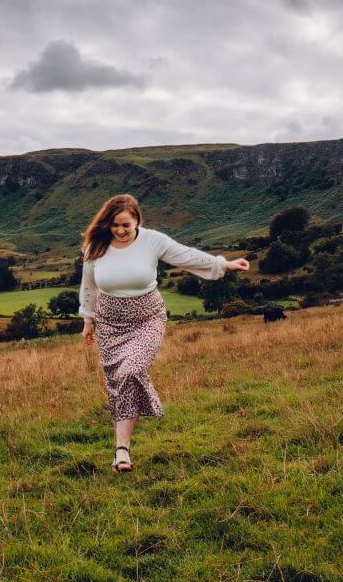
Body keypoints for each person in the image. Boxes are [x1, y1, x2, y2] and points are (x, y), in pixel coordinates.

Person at [78, 192, 250, 472]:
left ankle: (135, 428)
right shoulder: (96, 247)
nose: (120, 231)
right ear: (106, 224)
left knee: (129, 372)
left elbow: (188, 257)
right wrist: (88, 320)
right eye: (115, 225)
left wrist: (224, 265)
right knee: (118, 381)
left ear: (137, 222)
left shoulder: (153, 241)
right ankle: (122, 450)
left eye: (126, 225)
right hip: (109, 322)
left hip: (148, 318)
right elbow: (89, 287)